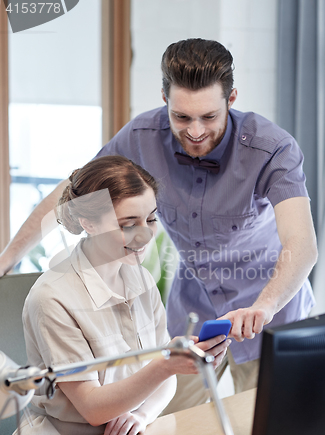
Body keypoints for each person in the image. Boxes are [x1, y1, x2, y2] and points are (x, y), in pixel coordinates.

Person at [0, 39, 317, 405]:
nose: (195, 131)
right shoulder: (141, 137)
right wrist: (7, 259)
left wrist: (265, 306)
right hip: (192, 317)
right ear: (164, 99)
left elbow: (302, 244)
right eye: (181, 117)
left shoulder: (271, 148)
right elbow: (75, 192)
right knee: (166, 429)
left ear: (231, 100)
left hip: (268, 311)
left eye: (209, 117)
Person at [5, 155, 230, 435]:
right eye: (128, 224)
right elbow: (93, 407)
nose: (145, 235)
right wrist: (165, 365)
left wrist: (142, 415)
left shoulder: (142, 280)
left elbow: (164, 381)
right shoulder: (52, 297)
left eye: (151, 219)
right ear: (88, 223)